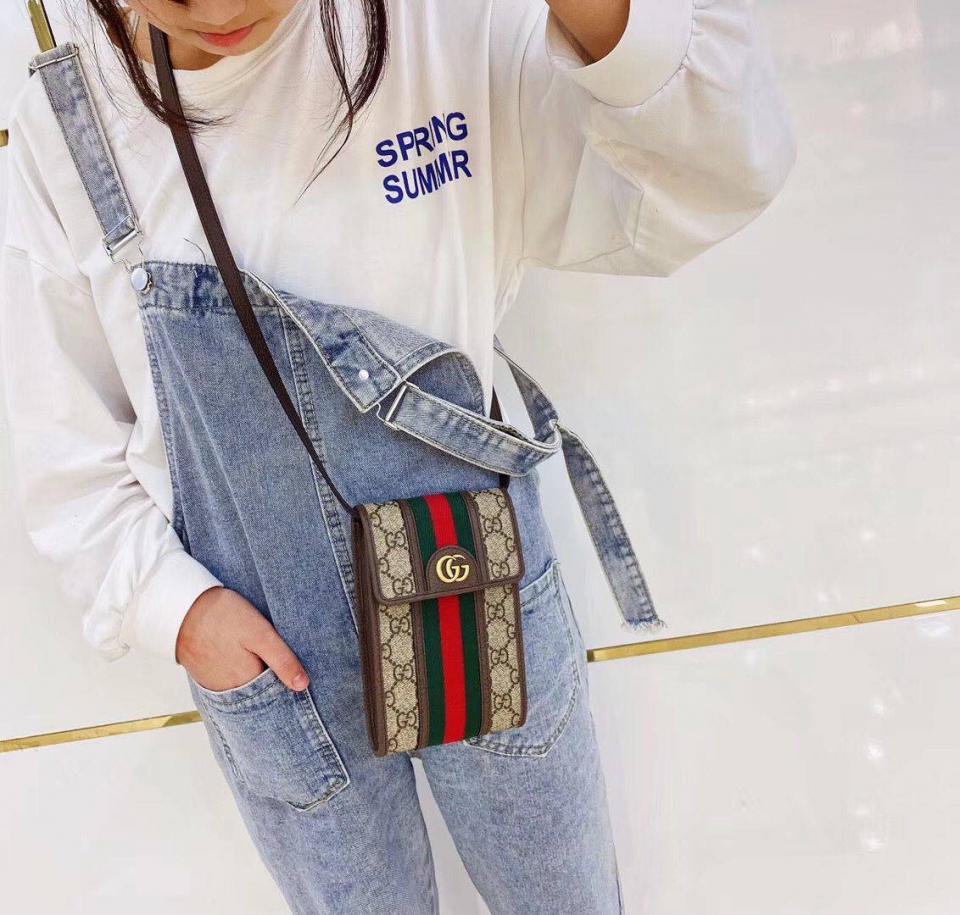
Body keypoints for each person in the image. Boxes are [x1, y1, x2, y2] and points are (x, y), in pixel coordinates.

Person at [0, 0, 797, 911]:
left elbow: (710, 174)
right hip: (271, 656)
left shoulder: (439, 25)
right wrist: (172, 609)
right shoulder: (69, 120)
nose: (219, 10)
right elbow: (65, 446)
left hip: (473, 587)